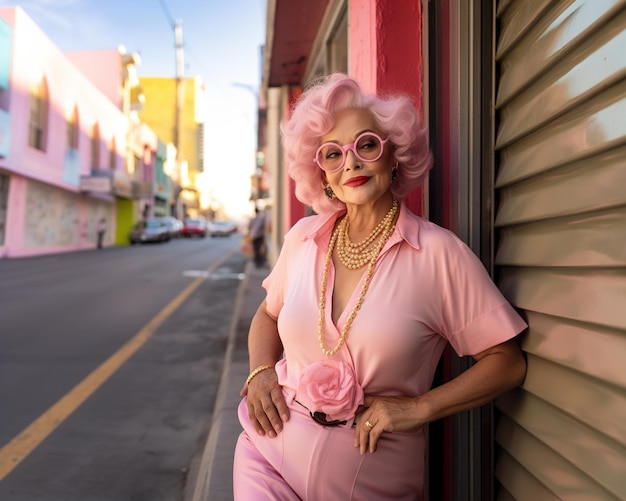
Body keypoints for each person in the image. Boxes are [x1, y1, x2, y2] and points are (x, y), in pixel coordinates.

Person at [233, 73, 527, 500]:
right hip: (268, 455)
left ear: (394, 156)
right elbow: (267, 314)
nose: (350, 163)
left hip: (371, 480)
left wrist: (419, 407)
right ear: (323, 177)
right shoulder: (301, 239)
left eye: (365, 145)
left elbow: (507, 361)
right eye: (332, 154)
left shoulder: (440, 255)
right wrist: (260, 372)